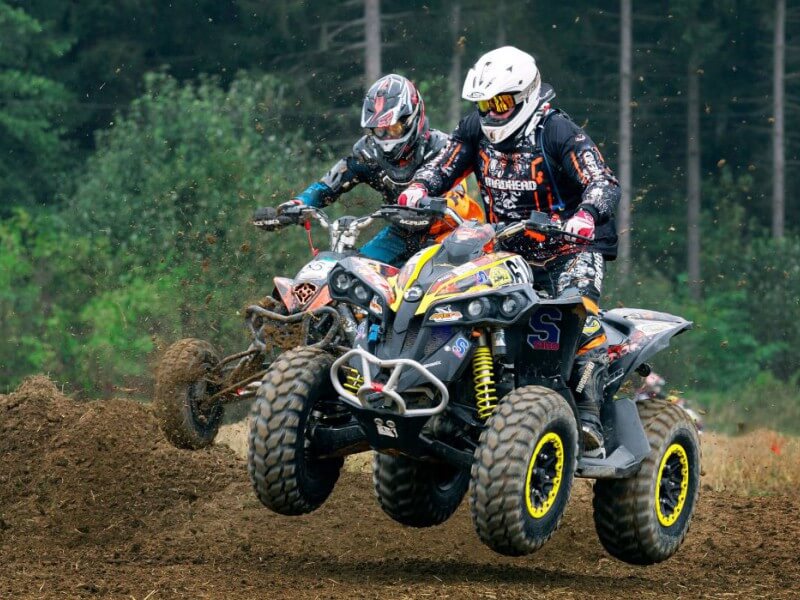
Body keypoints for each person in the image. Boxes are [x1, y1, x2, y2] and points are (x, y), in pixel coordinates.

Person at [399, 46, 620, 455]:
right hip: (504, 245)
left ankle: (589, 416)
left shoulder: (558, 132)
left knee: (579, 314)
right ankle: (454, 399)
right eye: (484, 104)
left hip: (569, 247)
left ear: (525, 94)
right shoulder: (475, 128)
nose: (492, 113)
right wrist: (419, 186)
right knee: (459, 305)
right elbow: (444, 164)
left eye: (500, 103)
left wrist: (586, 215)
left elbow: (602, 181)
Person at [260, 74, 478, 266]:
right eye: (379, 130)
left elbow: (458, 199)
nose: (387, 137)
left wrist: (425, 207)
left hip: (451, 236)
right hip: (400, 235)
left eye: (393, 128)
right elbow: (327, 186)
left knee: (430, 290)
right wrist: (297, 204)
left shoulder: (443, 148)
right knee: (350, 274)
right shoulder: (368, 153)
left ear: (412, 119)